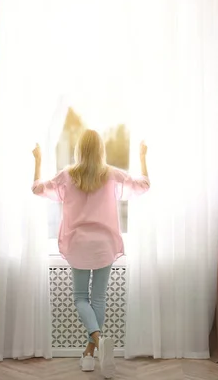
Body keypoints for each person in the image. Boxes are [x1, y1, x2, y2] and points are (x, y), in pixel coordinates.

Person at [31, 129, 150, 378]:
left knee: (80, 298)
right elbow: (143, 186)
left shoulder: (67, 176)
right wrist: (142, 157)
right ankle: (93, 349)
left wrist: (38, 160)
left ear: (79, 151)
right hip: (104, 245)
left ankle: (93, 347)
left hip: (79, 245)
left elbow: (38, 189)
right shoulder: (111, 175)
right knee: (98, 299)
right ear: (100, 151)